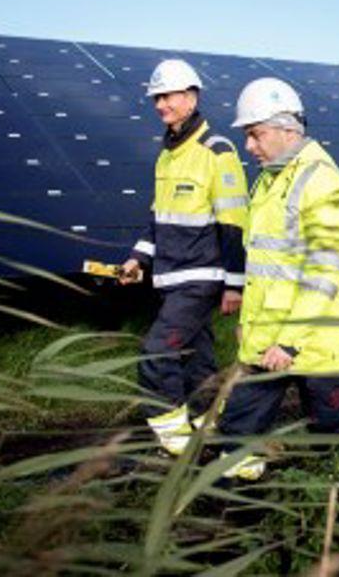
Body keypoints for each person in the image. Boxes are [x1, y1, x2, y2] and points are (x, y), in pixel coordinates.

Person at [218, 77, 339, 484]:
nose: (249, 147)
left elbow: (325, 269)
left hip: (311, 344)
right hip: (265, 341)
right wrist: (251, 323)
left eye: (255, 134)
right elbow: (265, 265)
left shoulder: (322, 181)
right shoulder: (267, 179)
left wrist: (291, 339)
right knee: (237, 432)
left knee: (332, 436)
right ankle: (238, 511)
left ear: (287, 129)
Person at [119, 59, 249, 456]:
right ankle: (214, 427)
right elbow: (159, 218)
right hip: (169, 276)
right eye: (156, 97)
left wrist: (234, 283)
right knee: (196, 361)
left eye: (168, 96)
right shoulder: (167, 155)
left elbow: (234, 222)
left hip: (200, 278)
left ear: (191, 98)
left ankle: (175, 442)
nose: (160, 104)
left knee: (157, 353)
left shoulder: (217, 151)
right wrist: (137, 259)